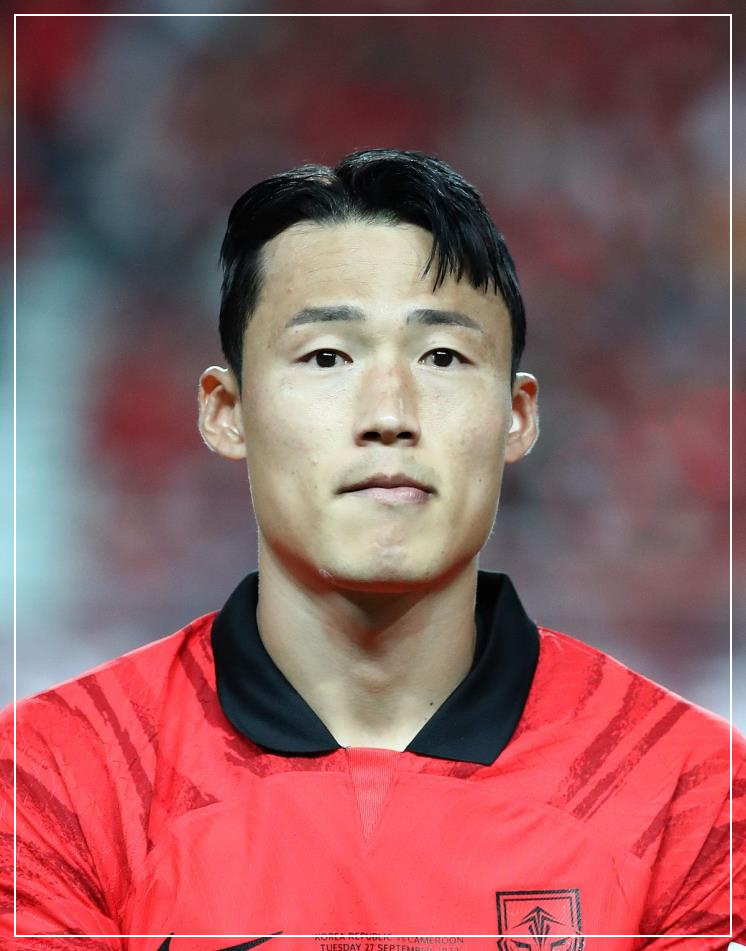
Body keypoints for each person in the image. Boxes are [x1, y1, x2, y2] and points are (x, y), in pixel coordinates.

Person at [1, 149, 743, 951]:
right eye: (327, 356)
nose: (389, 414)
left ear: (518, 416)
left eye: (442, 358)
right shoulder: (50, 777)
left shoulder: (697, 797)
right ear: (226, 410)